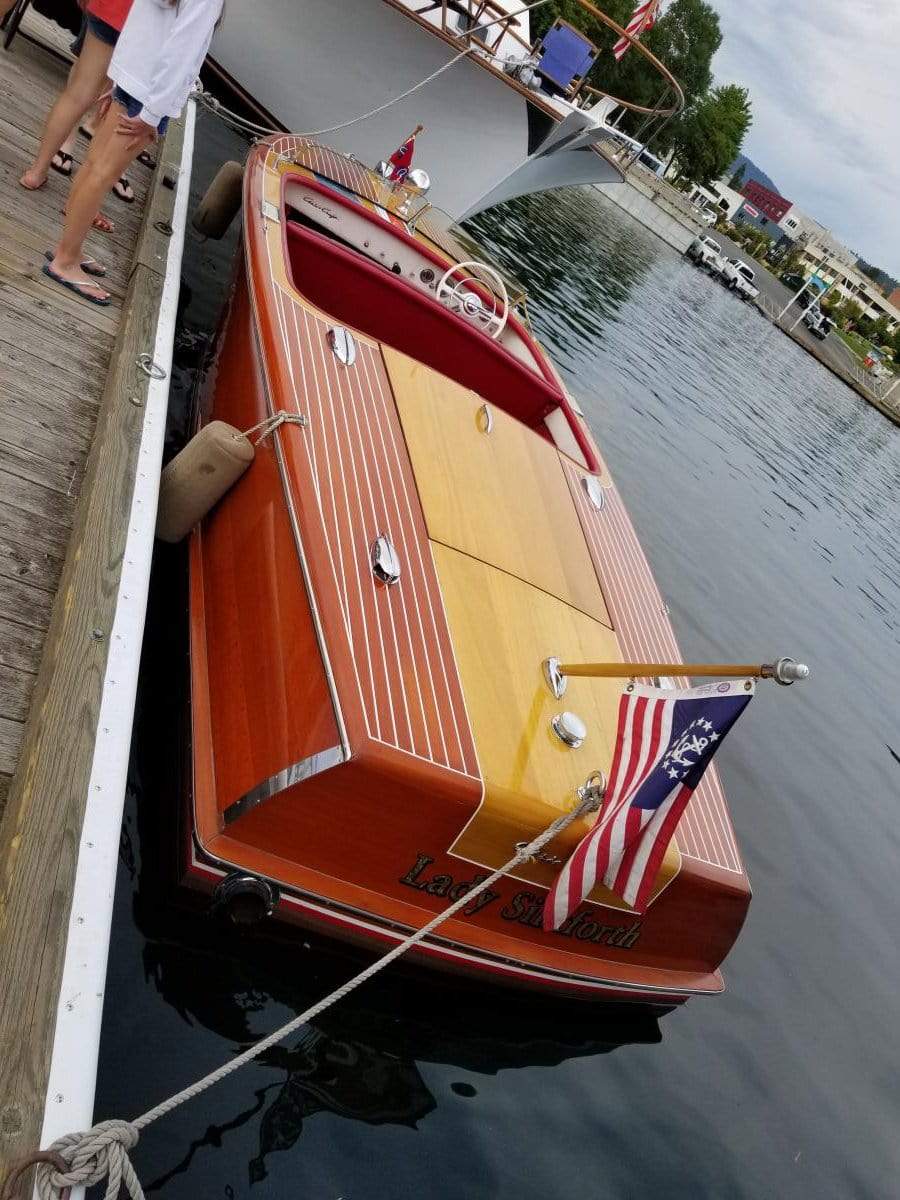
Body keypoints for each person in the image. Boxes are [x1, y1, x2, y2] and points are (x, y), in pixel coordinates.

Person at [44, 0, 224, 305]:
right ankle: (66, 260)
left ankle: (69, 247)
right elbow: (184, 46)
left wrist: (117, 78)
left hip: (132, 75)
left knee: (93, 166)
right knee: (103, 174)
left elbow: (141, 19)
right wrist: (153, 113)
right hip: (150, 92)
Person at [20, 0, 135, 223]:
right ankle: (79, 201)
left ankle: (36, 172)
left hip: (110, 7)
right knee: (116, 109)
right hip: (147, 29)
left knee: (78, 92)